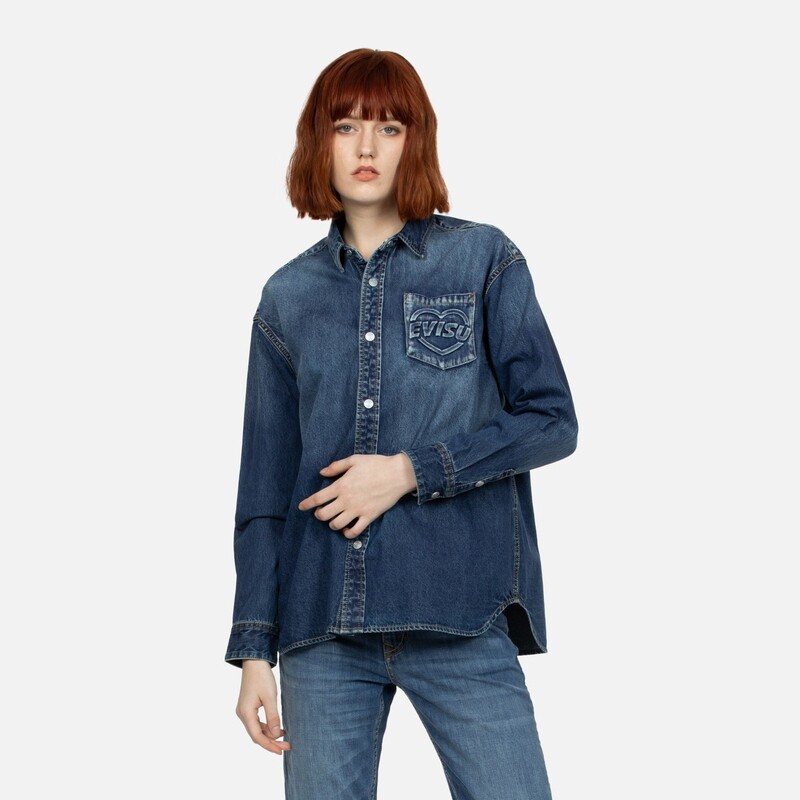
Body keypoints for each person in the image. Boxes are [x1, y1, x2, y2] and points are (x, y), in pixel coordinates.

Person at [225, 48, 578, 800]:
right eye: (345, 126)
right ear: (318, 141)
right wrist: (254, 649)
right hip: (322, 627)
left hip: (459, 608)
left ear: (415, 141)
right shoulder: (287, 297)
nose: (366, 146)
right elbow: (263, 493)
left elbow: (551, 419)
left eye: (389, 128)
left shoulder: (482, 259)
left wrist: (410, 472)